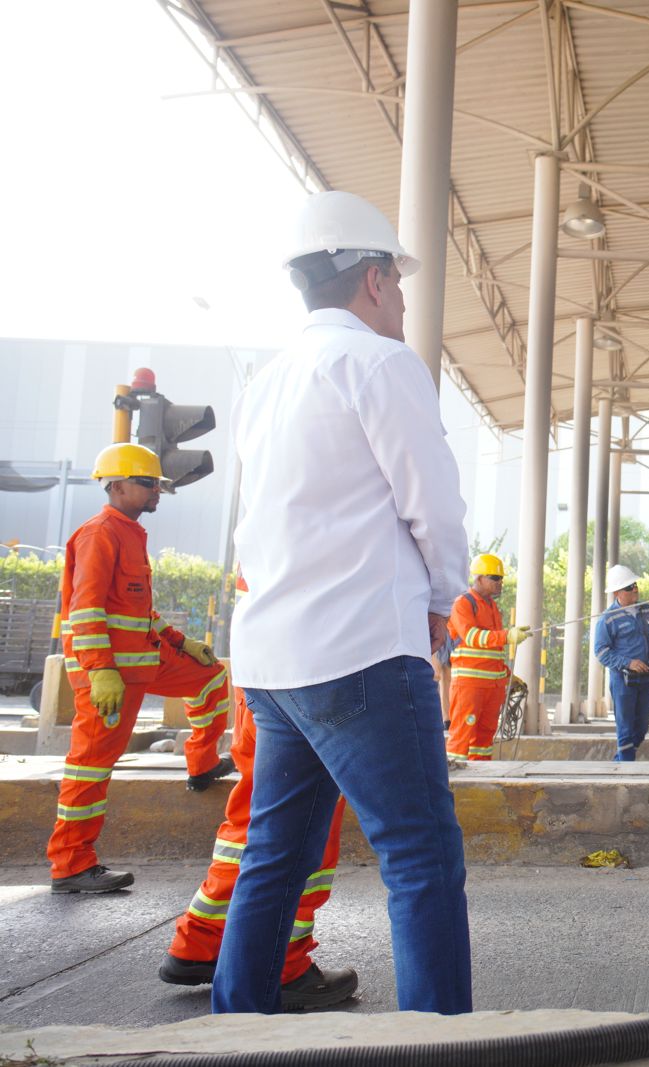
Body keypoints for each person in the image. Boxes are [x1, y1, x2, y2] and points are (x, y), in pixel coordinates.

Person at [214, 190, 472, 1014]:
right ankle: (440, 1044)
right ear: (372, 279)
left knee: (274, 857)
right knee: (421, 858)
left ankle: (230, 1029)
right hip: (363, 653)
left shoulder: (266, 381)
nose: (403, 302)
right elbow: (435, 508)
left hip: (274, 664)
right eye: (398, 282)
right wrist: (443, 602)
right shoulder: (382, 364)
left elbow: (258, 528)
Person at [161, 575, 358, 1010]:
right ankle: (285, 964)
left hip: (264, 674)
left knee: (254, 821)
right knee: (307, 827)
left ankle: (203, 939)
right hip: (309, 672)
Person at [48, 443, 235, 895]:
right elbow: (85, 609)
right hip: (110, 676)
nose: (157, 491)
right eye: (148, 482)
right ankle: (71, 864)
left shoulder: (130, 532)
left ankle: (202, 764)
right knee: (90, 767)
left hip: (144, 662)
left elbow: (137, 612)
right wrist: (100, 671)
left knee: (212, 678)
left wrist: (181, 642)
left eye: (158, 484)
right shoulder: (99, 534)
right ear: (116, 486)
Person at [445, 553, 529, 762]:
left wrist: (507, 676)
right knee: (462, 735)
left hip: (492, 686)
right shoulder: (463, 603)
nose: (500, 582)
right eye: (495, 578)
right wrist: (506, 636)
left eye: (501, 578)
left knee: (484, 738)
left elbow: (494, 652)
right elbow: (472, 637)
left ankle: (480, 774)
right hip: (469, 685)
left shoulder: (492, 607)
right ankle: (454, 777)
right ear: (479, 578)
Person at [592, 564, 649, 762]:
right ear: (617, 592)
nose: (635, 589)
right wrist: (628, 663)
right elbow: (601, 652)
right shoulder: (608, 619)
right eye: (629, 587)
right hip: (623, 682)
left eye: (635, 585)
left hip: (647, 679)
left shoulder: (647, 610)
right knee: (625, 729)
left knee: (641, 728)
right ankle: (626, 769)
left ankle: (619, 762)